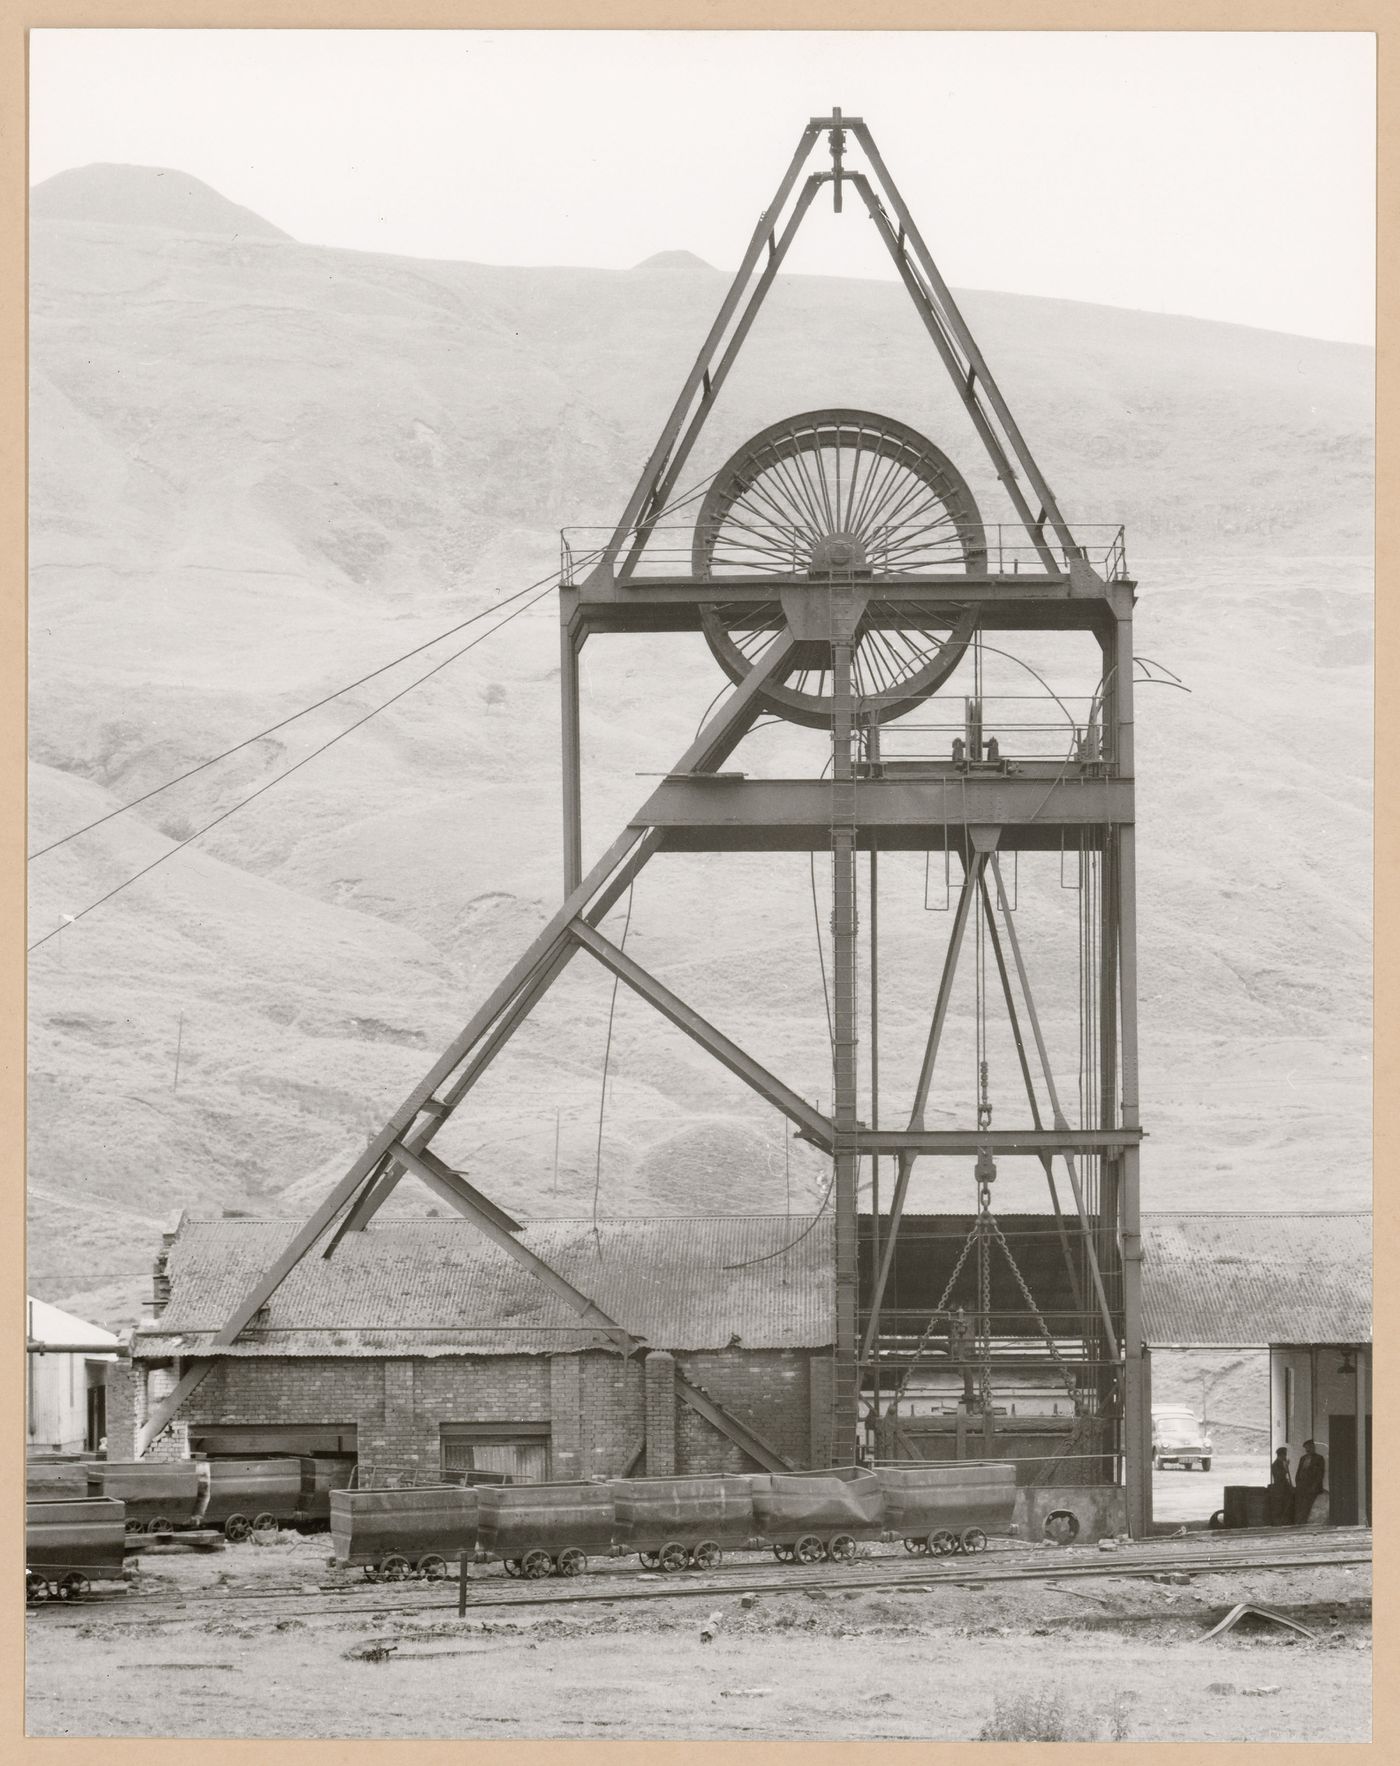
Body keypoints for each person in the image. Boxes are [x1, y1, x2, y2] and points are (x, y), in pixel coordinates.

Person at [1294, 1439, 1326, 1524]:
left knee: (1309, 1507)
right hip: (1302, 1488)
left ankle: (1306, 1524)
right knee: (1301, 1507)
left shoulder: (1319, 1458)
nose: (1308, 1449)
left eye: (1310, 1447)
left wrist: (1314, 1487)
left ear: (1313, 1447)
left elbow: (1320, 1474)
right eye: (1306, 1448)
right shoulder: (1303, 1458)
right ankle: (1300, 1523)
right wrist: (1297, 1484)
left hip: (1312, 1489)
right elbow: (1299, 1472)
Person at [1268, 1445, 1294, 1525]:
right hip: (1280, 1489)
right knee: (1280, 1506)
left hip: (1284, 1488)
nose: (1285, 1457)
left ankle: (1284, 1522)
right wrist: (1286, 1468)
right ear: (1281, 1455)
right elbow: (1279, 1476)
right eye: (1284, 1455)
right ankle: (1279, 1523)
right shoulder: (1275, 1464)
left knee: (1285, 1506)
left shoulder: (1281, 1463)